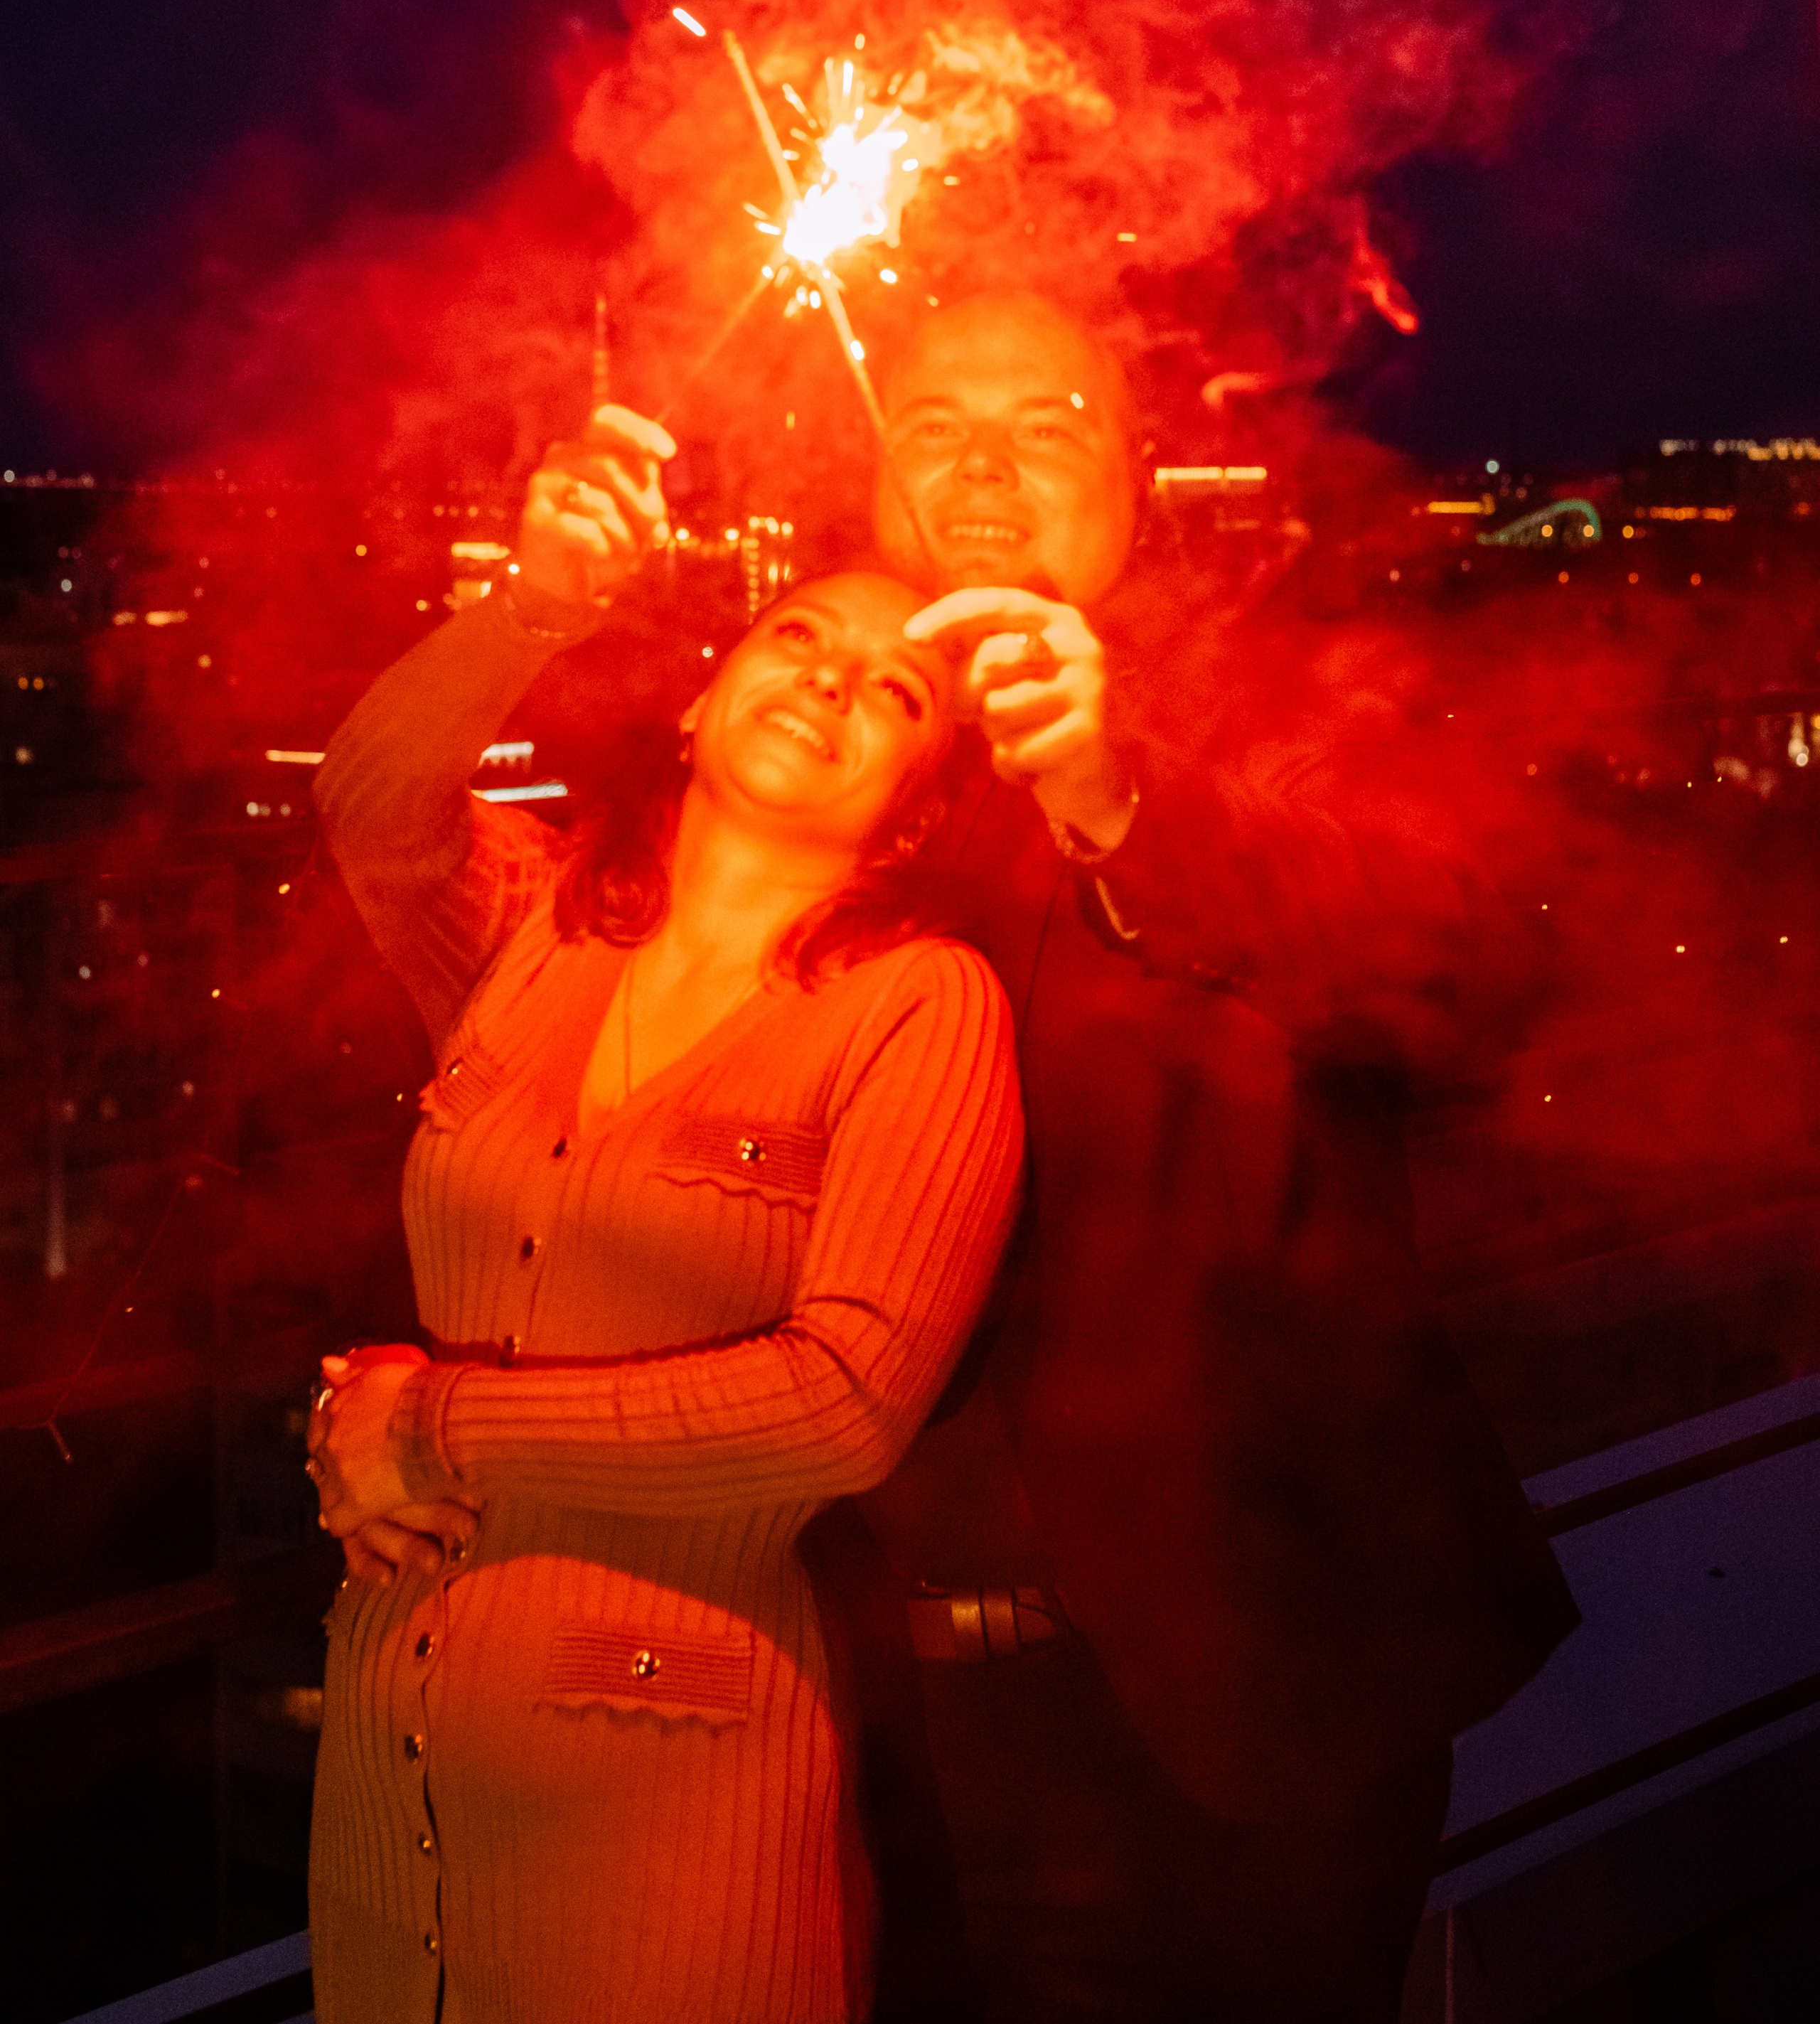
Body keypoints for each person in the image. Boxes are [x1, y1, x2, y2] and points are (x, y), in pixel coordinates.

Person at [845, 291, 1578, 2024]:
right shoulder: (822, 729)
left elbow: (1459, 961)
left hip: (1250, 1693)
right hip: (878, 1715)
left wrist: (1123, 795)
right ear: (871, 480)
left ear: (1138, 475)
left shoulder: (1279, 683)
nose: (982, 466)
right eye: (934, 426)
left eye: (1043, 426)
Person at [303, 401, 1024, 2024]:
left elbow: (846, 1401)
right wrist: (534, 606)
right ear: (703, 698)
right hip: (395, 1778)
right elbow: (370, 800)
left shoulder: (921, 1006)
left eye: (894, 690)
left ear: (914, 808)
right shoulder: (538, 923)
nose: (830, 681)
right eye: (799, 637)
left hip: (679, 1791)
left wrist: (435, 1425)